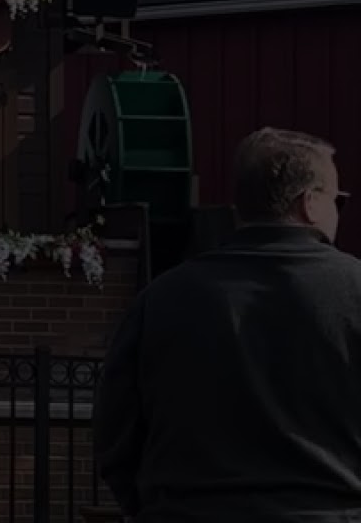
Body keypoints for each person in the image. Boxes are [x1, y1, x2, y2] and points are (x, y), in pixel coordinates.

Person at [95, 127, 361, 522]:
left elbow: (115, 433)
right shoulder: (355, 291)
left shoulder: (163, 298)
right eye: (338, 199)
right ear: (310, 203)